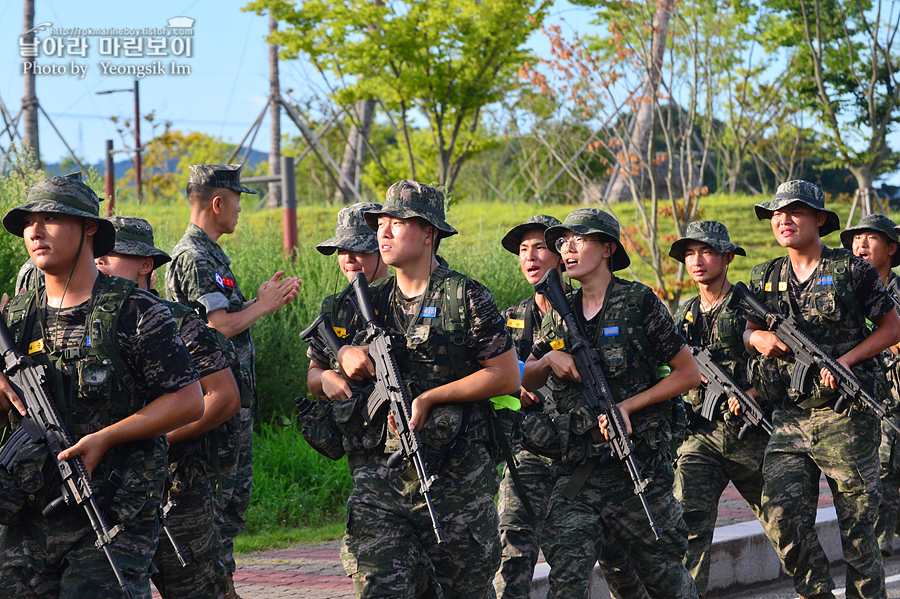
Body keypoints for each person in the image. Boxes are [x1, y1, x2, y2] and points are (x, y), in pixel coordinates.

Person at [0, 175, 204, 598]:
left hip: (112, 510)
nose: (35, 231)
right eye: (28, 222)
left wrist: (106, 438)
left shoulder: (135, 310)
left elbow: (188, 401)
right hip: (29, 515)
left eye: (52, 218)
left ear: (89, 227)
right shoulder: (14, 318)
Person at [334, 180, 519, 599]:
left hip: (456, 479)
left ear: (429, 233)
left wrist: (433, 396)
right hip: (382, 480)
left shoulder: (465, 296)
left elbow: (506, 376)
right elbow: (321, 370)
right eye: (381, 222)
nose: (383, 231)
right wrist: (343, 355)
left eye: (397, 222)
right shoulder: (367, 300)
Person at [522, 208, 700, 599]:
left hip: (637, 472)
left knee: (665, 580)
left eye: (578, 240)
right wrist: (550, 360)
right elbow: (526, 375)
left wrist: (628, 407)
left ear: (607, 248)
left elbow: (688, 373)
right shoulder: (559, 309)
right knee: (565, 582)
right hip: (579, 474)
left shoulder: (638, 303)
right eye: (563, 242)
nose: (567, 250)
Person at [743, 181, 900, 599]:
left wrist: (846, 361)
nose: (783, 219)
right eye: (777, 213)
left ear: (820, 220)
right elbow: (749, 330)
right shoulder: (765, 274)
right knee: (780, 515)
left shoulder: (852, 270)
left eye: (795, 211)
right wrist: (758, 340)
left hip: (846, 417)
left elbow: (891, 327)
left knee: (859, 532)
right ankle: (815, 593)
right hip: (791, 418)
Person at [165, 164, 301, 598]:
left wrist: (255, 300)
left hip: (233, 409)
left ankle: (222, 584)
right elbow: (216, 327)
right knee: (214, 507)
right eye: (238, 199)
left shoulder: (213, 254)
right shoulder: (193, 256)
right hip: (213, 407)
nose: (241, 209)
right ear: (218, 202)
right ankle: (216, 587)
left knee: (229, 507)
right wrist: (263, 306)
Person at [495, 215, 647, 599]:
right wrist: (520, 388)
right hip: (532, 449)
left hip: (586, 452)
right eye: (523, 250)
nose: (530, 257)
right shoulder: (509, 318)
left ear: (562, 255)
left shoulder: (592, 308)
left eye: (540, 247)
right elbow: (491, 382)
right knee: (512, 547)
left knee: (616, 556)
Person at [95, 216, 241, 599]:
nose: (101, 261)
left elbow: (223, 397)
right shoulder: (92, 325)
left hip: (177, 489)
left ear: (146, 265)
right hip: (113, 488)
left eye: (114, 254)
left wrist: (152, 439)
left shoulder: (179, 321)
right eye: (99, 254)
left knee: (197, 590)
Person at [668, 221, 778, 598]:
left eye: (707, 252)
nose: (697, 261)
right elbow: (672, 368)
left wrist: (752, 391)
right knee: (688, 527)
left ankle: (815, 591)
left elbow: (780, 360)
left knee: (785, 524)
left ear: (728, 257)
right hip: (701, 435)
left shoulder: (750, 307)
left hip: (751, 434)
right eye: (690, 253)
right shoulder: (683, 314)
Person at [839, 214, 900, 559]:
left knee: (887, 469)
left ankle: (878, 551)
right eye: (856, 238)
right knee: (874, 473)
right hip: (856, 400)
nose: (860, 244)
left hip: (893, 398)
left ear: (891, 248)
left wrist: (886, 337)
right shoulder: (843, 291)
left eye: (871, 238)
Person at [307, 202, 389, 401]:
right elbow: (313, 375)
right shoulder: (335, 306)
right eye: (341, 250)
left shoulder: (401, 298)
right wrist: (326, 378)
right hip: (346, 425)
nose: (348, 258)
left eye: (358, 248)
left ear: (382, 248)